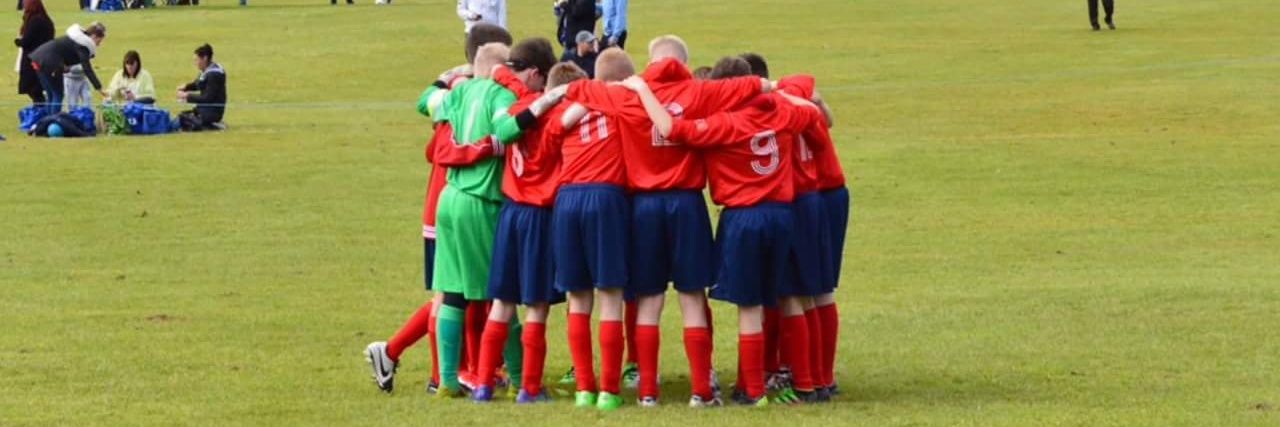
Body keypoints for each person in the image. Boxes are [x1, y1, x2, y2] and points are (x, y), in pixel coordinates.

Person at [562, 35, 771, 407]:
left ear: (652, 61)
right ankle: (701, 391)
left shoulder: (629, 94)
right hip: (687, 205)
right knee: (691, 296)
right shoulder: (700, 92)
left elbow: (578, 91)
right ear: (684, 61)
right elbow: (755, 85)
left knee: (648, 300)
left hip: (643, 208)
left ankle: (647, 392)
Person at [618, 70, 827, 408]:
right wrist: (775, 90)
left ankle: (752, 391)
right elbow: (812, 107)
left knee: (747, 305)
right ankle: (803, 383)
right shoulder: (784, 113)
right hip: (781, 214)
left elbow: (672, 129)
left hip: (742, 218)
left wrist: (642, 90)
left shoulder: (724, 124)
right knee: (781, 297)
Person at [364, 24, 513, 396]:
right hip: (454, 203)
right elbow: (439, 150)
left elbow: (426, 105)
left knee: (459, 292)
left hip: (449, 201)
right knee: (454, 294)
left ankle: (424, 360)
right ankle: (441, 374)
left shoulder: (454, 91)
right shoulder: (467, 93)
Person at [466, 37, 567, 403]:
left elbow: (504, 78)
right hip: (540, 216)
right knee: (536, 304)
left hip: (511, 213)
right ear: (540, 75)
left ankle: (483, 384)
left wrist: (502, 74)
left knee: (502, 303)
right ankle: (530, 387)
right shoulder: (554, 112)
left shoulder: (509, 102)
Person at [28, 22, 107, 114]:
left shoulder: (76, 38)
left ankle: (48, 122)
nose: (98, 45)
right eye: (99, 41)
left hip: (38, 58)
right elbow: (87, 68)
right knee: (58, 94)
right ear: (94, 36)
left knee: (51, 94)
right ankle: (53, 120)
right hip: (50, 63)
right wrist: (99, 88)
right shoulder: (83, 45)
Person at [177, 43, 227, 131]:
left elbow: (207, 98)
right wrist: (186, 87)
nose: (195, 63)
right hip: (203, 109)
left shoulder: (214, 74)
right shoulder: (207, 69)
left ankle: (214, 125)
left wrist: (187, 96)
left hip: (212, 112)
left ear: (205, 58)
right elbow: (199, 83)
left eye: (197, 60)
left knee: (184, 121)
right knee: (181, 118)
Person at [15, 0, 54, 106]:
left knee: (33, 89)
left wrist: (18, 41)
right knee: (37, 88)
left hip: (33, 59)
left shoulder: (35, 21)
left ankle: (41, 110)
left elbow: (26, 41)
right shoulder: (46, 19)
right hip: (44, 57)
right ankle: (41, 107)